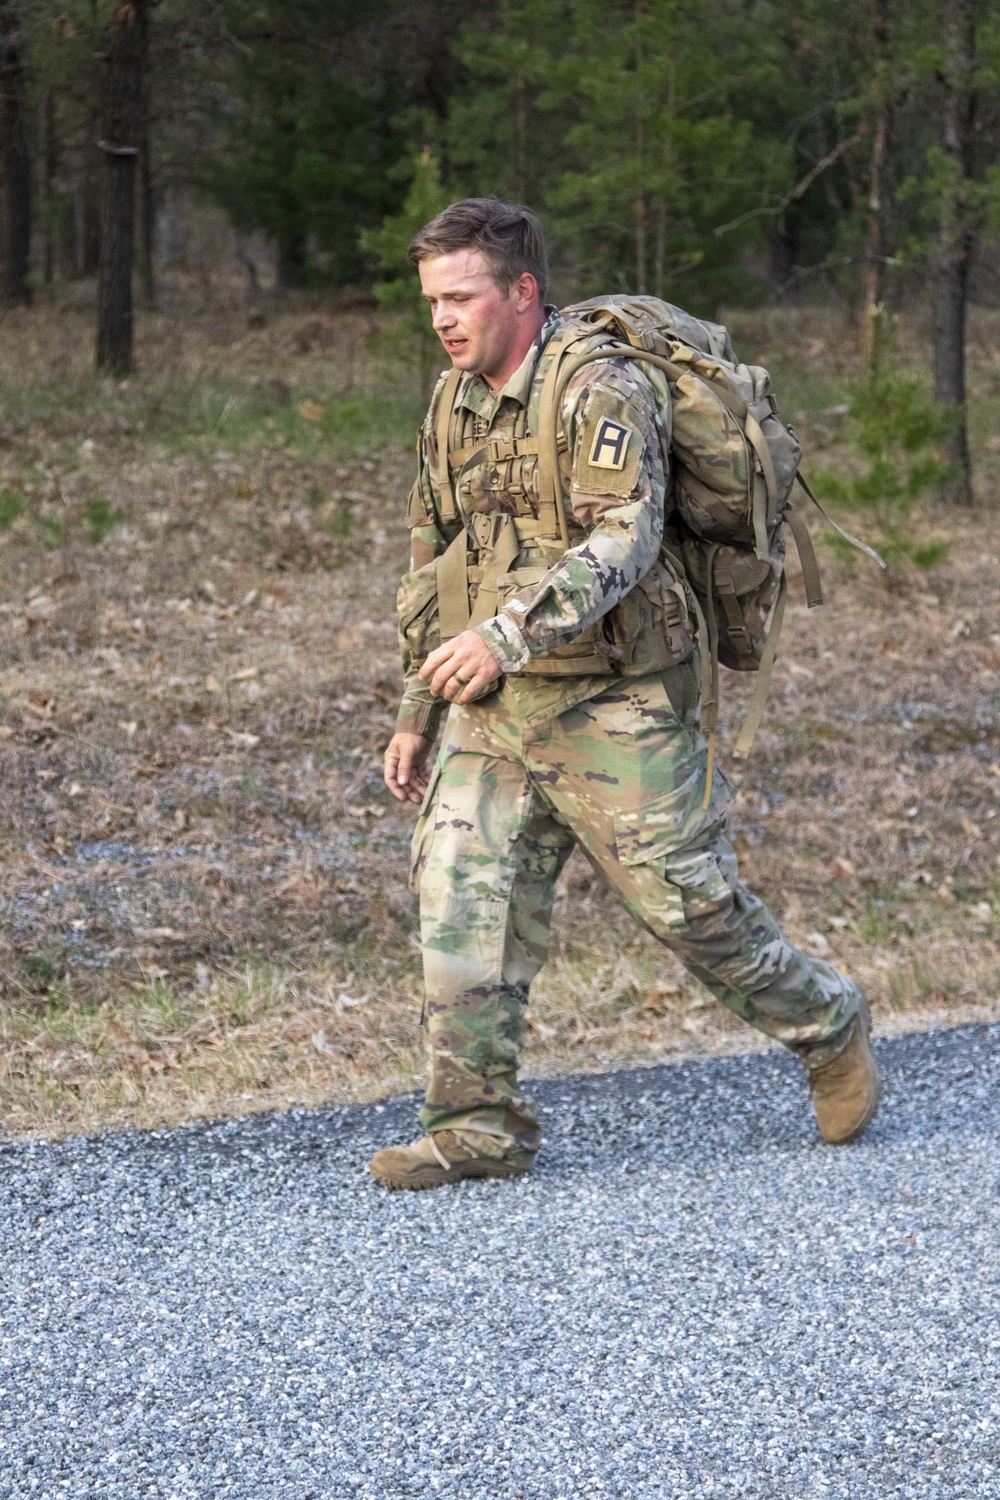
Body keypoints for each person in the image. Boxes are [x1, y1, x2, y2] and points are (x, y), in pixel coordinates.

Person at [371, 198, 880, 1191]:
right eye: (431, 299)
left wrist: (504, 635)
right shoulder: (451, 401)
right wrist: (414, 709)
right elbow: (435, 557)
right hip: (496, 705)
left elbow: (625, 537)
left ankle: (826, 1023)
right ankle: (475, 1124)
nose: (441, 318)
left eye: (460, 296)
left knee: (687, 907)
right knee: (459, 895)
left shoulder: (598, 389)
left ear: (522, 292)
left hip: (614, 697)